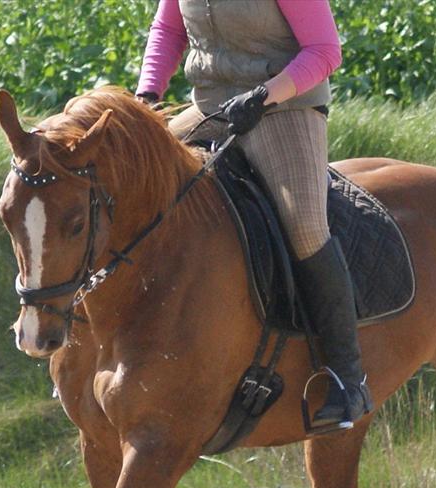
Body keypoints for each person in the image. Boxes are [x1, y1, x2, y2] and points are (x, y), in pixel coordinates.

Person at [135, 0, 372, 432]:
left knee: (304, 227)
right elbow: (168, 30)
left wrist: (266, 94)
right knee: (136, 186)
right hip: (211, 109)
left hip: (285, 108)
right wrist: (148, 94)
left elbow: (324, 51)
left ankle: (347, 377)